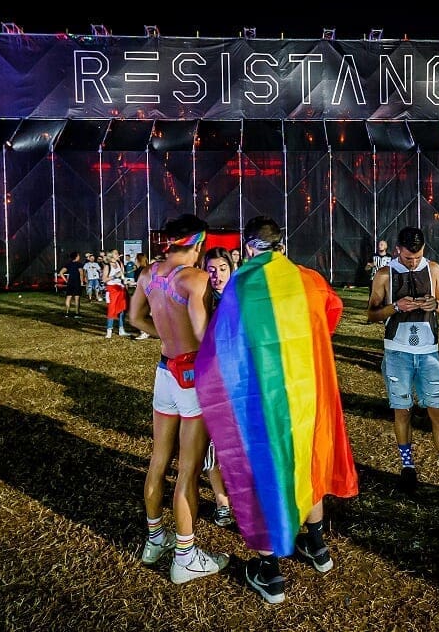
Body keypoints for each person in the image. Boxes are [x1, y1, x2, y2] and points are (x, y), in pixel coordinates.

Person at [195, 216, 359, 605]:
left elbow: (223, 344)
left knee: (261, 472)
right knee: (307, 459)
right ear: (281, 243)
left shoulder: (241, 286)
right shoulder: (310, 279)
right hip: (306, 391)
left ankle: (270, 573)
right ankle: (316, 545)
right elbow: (332, 313)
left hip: (261, 397)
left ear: (248, 247)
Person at [127, 214, 229, 585]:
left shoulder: (148, 274)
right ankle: (185, 557)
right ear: (198, 244)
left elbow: (134, 318)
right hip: (191, 378)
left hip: (165, 371)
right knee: (188, 469)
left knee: (158, 460)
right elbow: (203, 337)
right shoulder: (195, 279)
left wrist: (166, 336)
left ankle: (155, 539)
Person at [366, 226, 439, 506]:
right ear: (397, 250)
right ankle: (408, 468)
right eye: (408, 257)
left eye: (417, 257)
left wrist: (434, 304)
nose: (413, 262)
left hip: (428, 352)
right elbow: (371, 314)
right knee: (402, 411)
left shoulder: (433, 269)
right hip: (397, 352)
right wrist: (396, 307)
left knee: (438, 412)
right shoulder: (385, 274)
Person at [200, 246, 236, 527]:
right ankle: (222, 503)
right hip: (213, 383)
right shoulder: (201, 302)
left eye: (222, 269)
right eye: (211, 270)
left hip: (239, 384)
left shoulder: (242, 299)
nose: (217, 275)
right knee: (213, 448)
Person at [102, 250, 131, 338]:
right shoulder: (107, 266)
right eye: (116, 253)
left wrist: (126, 283)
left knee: (122, 309)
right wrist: (114, 276)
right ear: (111, 255)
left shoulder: (120, 263)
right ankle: (109, 330)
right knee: (111, 309)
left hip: (120, 288)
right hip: (112, 289)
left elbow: (122, 276)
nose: (118, 254)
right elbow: (104, 279)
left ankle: (121, 329)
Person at [57, 251, 84, 317]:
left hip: (70, 282)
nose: (79, 257)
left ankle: (67, 313)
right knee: (77, 298)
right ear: (76, 257)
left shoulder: (68, 264)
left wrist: (66, 281)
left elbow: (61, 272)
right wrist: (82, 281)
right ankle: (77, 314)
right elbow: (81, 272)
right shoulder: (79, 264)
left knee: (68, 297)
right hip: (77, 282)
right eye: (78, 255)